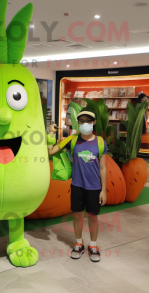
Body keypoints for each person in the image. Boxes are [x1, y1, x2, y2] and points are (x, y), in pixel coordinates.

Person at [48, 108, 107, 262]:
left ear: (93, 123)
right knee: (77, 215)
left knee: (92, 216)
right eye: (82, 121)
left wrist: (104, 190)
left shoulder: (100, 142)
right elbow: (51, 151)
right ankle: (79, 243)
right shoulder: (72, 140)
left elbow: (103, 167)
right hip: (77, 185)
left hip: (94, 187)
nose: (85, 124)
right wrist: (51, 134)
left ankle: (93, 245)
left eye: (88, 121)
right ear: (78, 123)